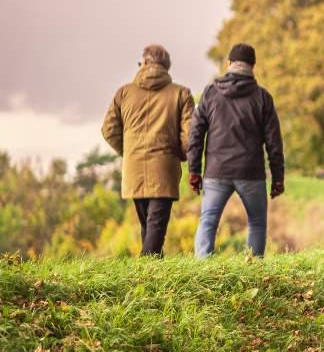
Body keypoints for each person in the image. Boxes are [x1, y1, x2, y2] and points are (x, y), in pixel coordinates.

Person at [189, 43, 285, 258]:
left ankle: (202, 271)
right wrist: (278, 178)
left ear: (229, 63)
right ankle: (253, 270)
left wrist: (194, 171)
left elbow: (195, 134)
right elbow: (274, 143)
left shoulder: (210, 93)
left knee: (208, 220)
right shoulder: (262, 98)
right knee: (257, 223)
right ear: (253, 65)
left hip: (216, 171)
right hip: (250, 172)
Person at [102, 44, 195, 256]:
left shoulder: (123, 93)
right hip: (164, 168)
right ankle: (145, 274)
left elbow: (108, 130)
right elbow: (190, 136)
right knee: (155, 227)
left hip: (133, 169)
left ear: (144, 63)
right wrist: (178, 154)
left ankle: (152, 272)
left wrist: (130, 152)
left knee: (149, 225)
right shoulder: (181, 94)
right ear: (167, 67)